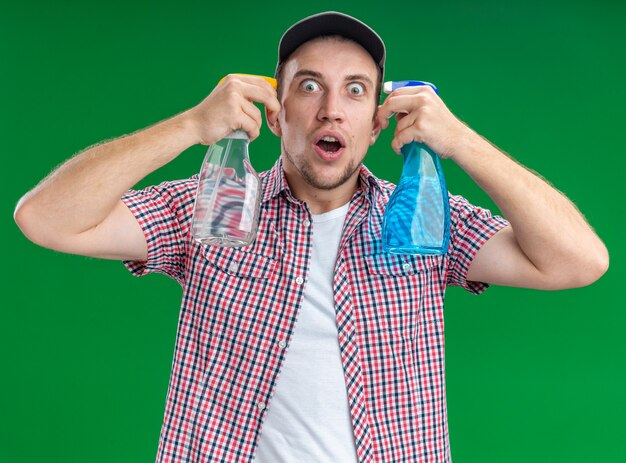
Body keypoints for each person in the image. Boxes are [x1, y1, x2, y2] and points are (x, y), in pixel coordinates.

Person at [14, 11, 608, 463]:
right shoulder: (214, 206)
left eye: (355, 89)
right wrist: (191, 125)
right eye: (308, 86)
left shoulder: (424, 220)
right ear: (276, 115)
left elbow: (579, 262)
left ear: (377, 122)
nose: (331, 109)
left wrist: (462, 143)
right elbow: (45, 219)